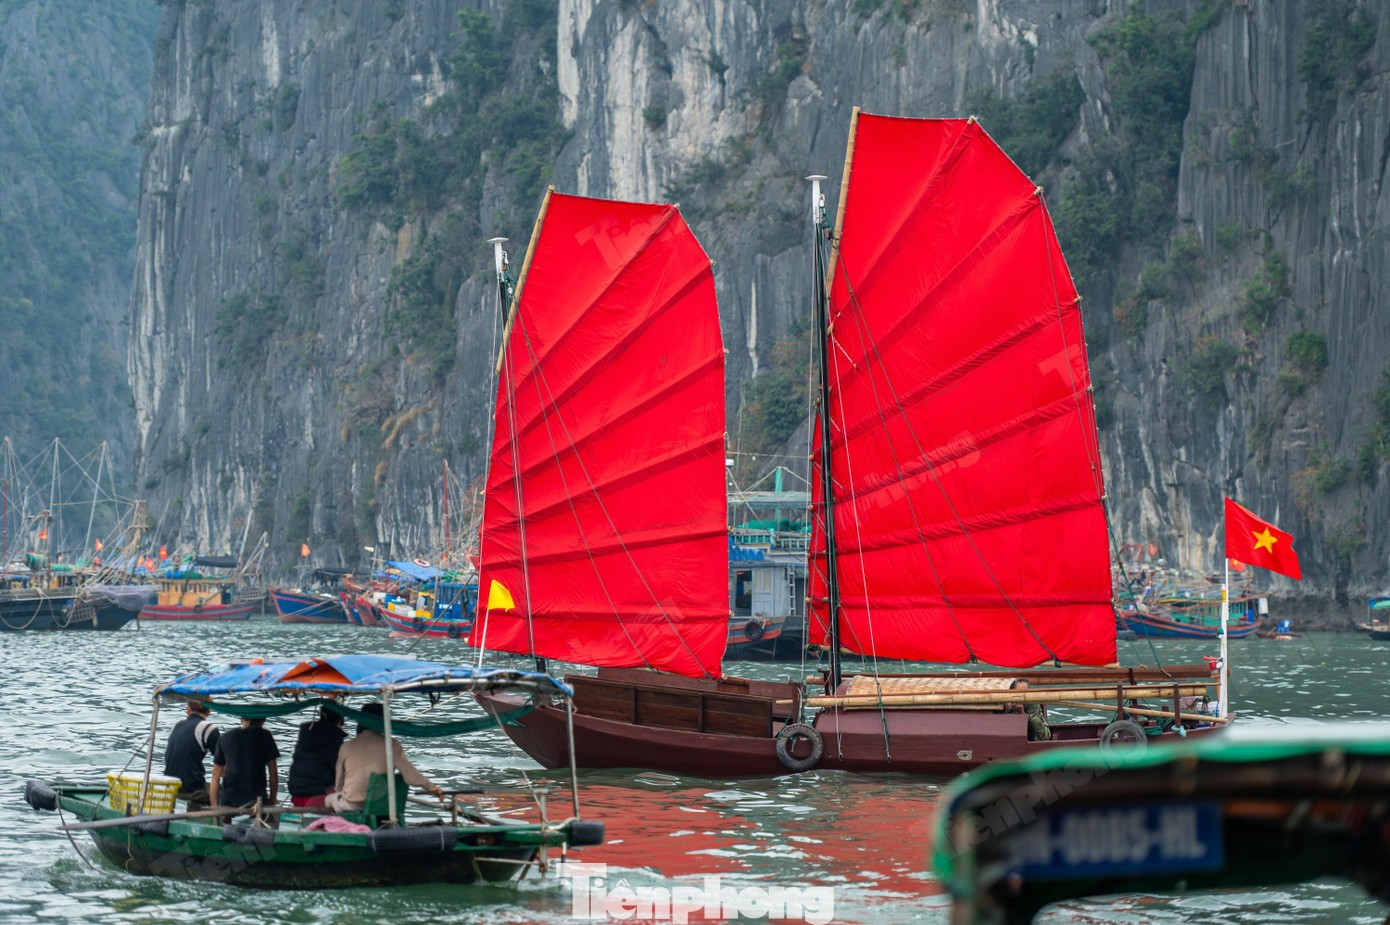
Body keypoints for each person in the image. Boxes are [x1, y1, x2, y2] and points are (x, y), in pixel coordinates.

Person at [325, 703, 443, 813]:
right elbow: (410, 774)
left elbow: (339, 783)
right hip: (382, 803)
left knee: (329, 799)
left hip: (354, 805)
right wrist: (431, 787)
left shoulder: (346, 746)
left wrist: (343, 791)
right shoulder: (392, 744)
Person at [210, 716, 280, 810]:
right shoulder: (265, 736)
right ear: (263, 720)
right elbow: (273, 771)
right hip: (256, 798)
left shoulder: (225, 737)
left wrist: (214, 807)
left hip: (228, 798)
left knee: (226, 814)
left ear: (241, 719)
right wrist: (272, 798)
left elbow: (215, 776)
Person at [163, 700, 220, 810]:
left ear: (188, 710)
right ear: (209, 711)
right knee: (223, 791)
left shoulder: (176, 726)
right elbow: (222, 764)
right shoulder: (209, 728)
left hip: (170, 786)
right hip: (192, 790)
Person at [288, 707, 346, 807]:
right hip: (319, 796)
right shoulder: (335, 738)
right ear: (339, 722)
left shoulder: (305, 733)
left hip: (296, 793)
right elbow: (338, 770)